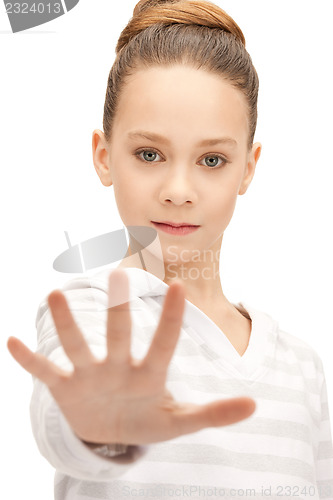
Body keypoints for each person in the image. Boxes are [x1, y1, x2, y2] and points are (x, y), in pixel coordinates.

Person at [7, 0, 333, 499]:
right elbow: (66, 425)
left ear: (248, 167)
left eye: (212, 159)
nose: (179, 189)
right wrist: (99, 426)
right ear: (103, 156)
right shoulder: (92, 314)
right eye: (149, 154)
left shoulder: (302, 366)